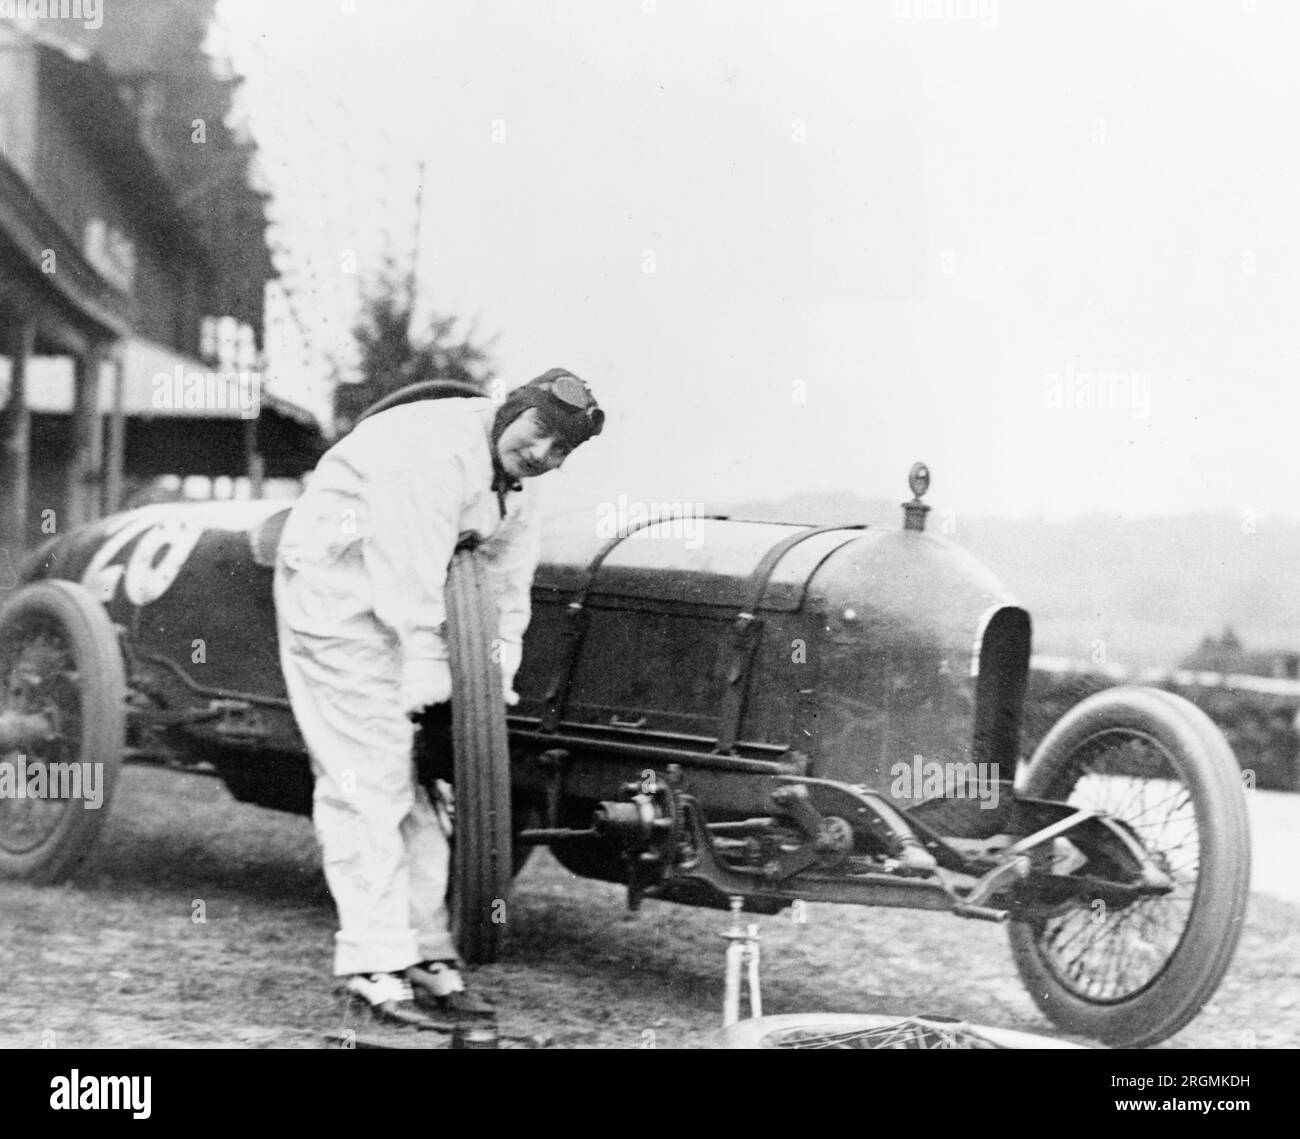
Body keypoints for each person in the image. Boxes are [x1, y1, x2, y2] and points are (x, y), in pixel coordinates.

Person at [273, 369, 604, 1026]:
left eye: (559, 451)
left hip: (403, 608)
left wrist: (489, 692)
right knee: (368, 781)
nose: (541, 454)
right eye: (539, 431)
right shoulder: (436, 453)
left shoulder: (519, 487)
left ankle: (422, 952)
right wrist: (430, 698)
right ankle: (372, 964)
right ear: (516, 409)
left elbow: (508, 598)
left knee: (422, 787)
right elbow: (407, 580)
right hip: (338, 599)